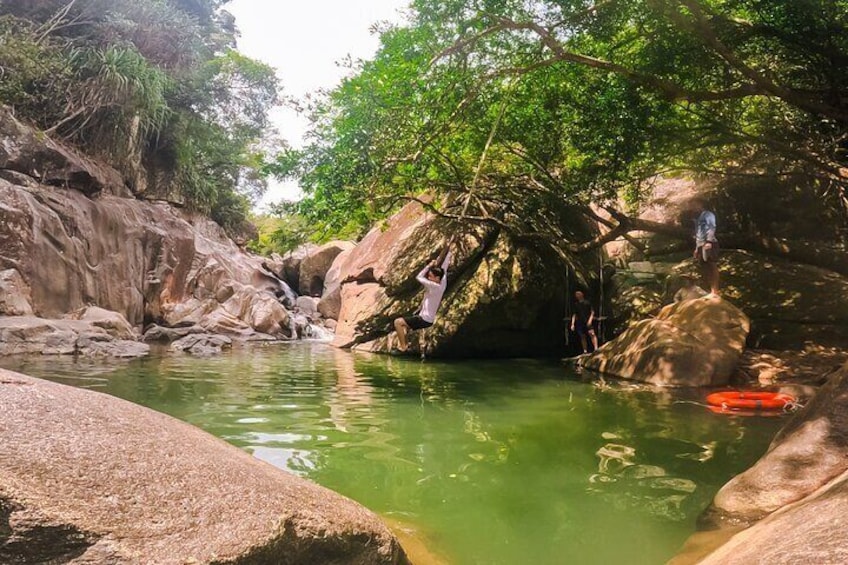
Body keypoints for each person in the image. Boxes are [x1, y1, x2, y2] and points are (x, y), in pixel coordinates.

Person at [392, 237, 455, 353]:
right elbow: (445, 265)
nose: (429, 277)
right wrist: (449, 246)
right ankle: (406, 342)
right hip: (426, 319)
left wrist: (427, 266)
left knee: (397, 322)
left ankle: (404, 346)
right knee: (404, 326)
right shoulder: (443, 281)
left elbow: (419, 277)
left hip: (424, 319)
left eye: (430, 276)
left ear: (436, 278)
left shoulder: (434, 286)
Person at [692, 199, 720, 295]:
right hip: (700, 244)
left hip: (709, 243)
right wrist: (696, 248)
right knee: (704, 266)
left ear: (700, 204)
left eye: (694, 204)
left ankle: (715, 291)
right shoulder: (697, 218)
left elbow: (712, 227)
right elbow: (698, 234)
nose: (693, 207)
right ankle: (709, 290)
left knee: (711, 264)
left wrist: (709, 241)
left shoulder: (708, 214)